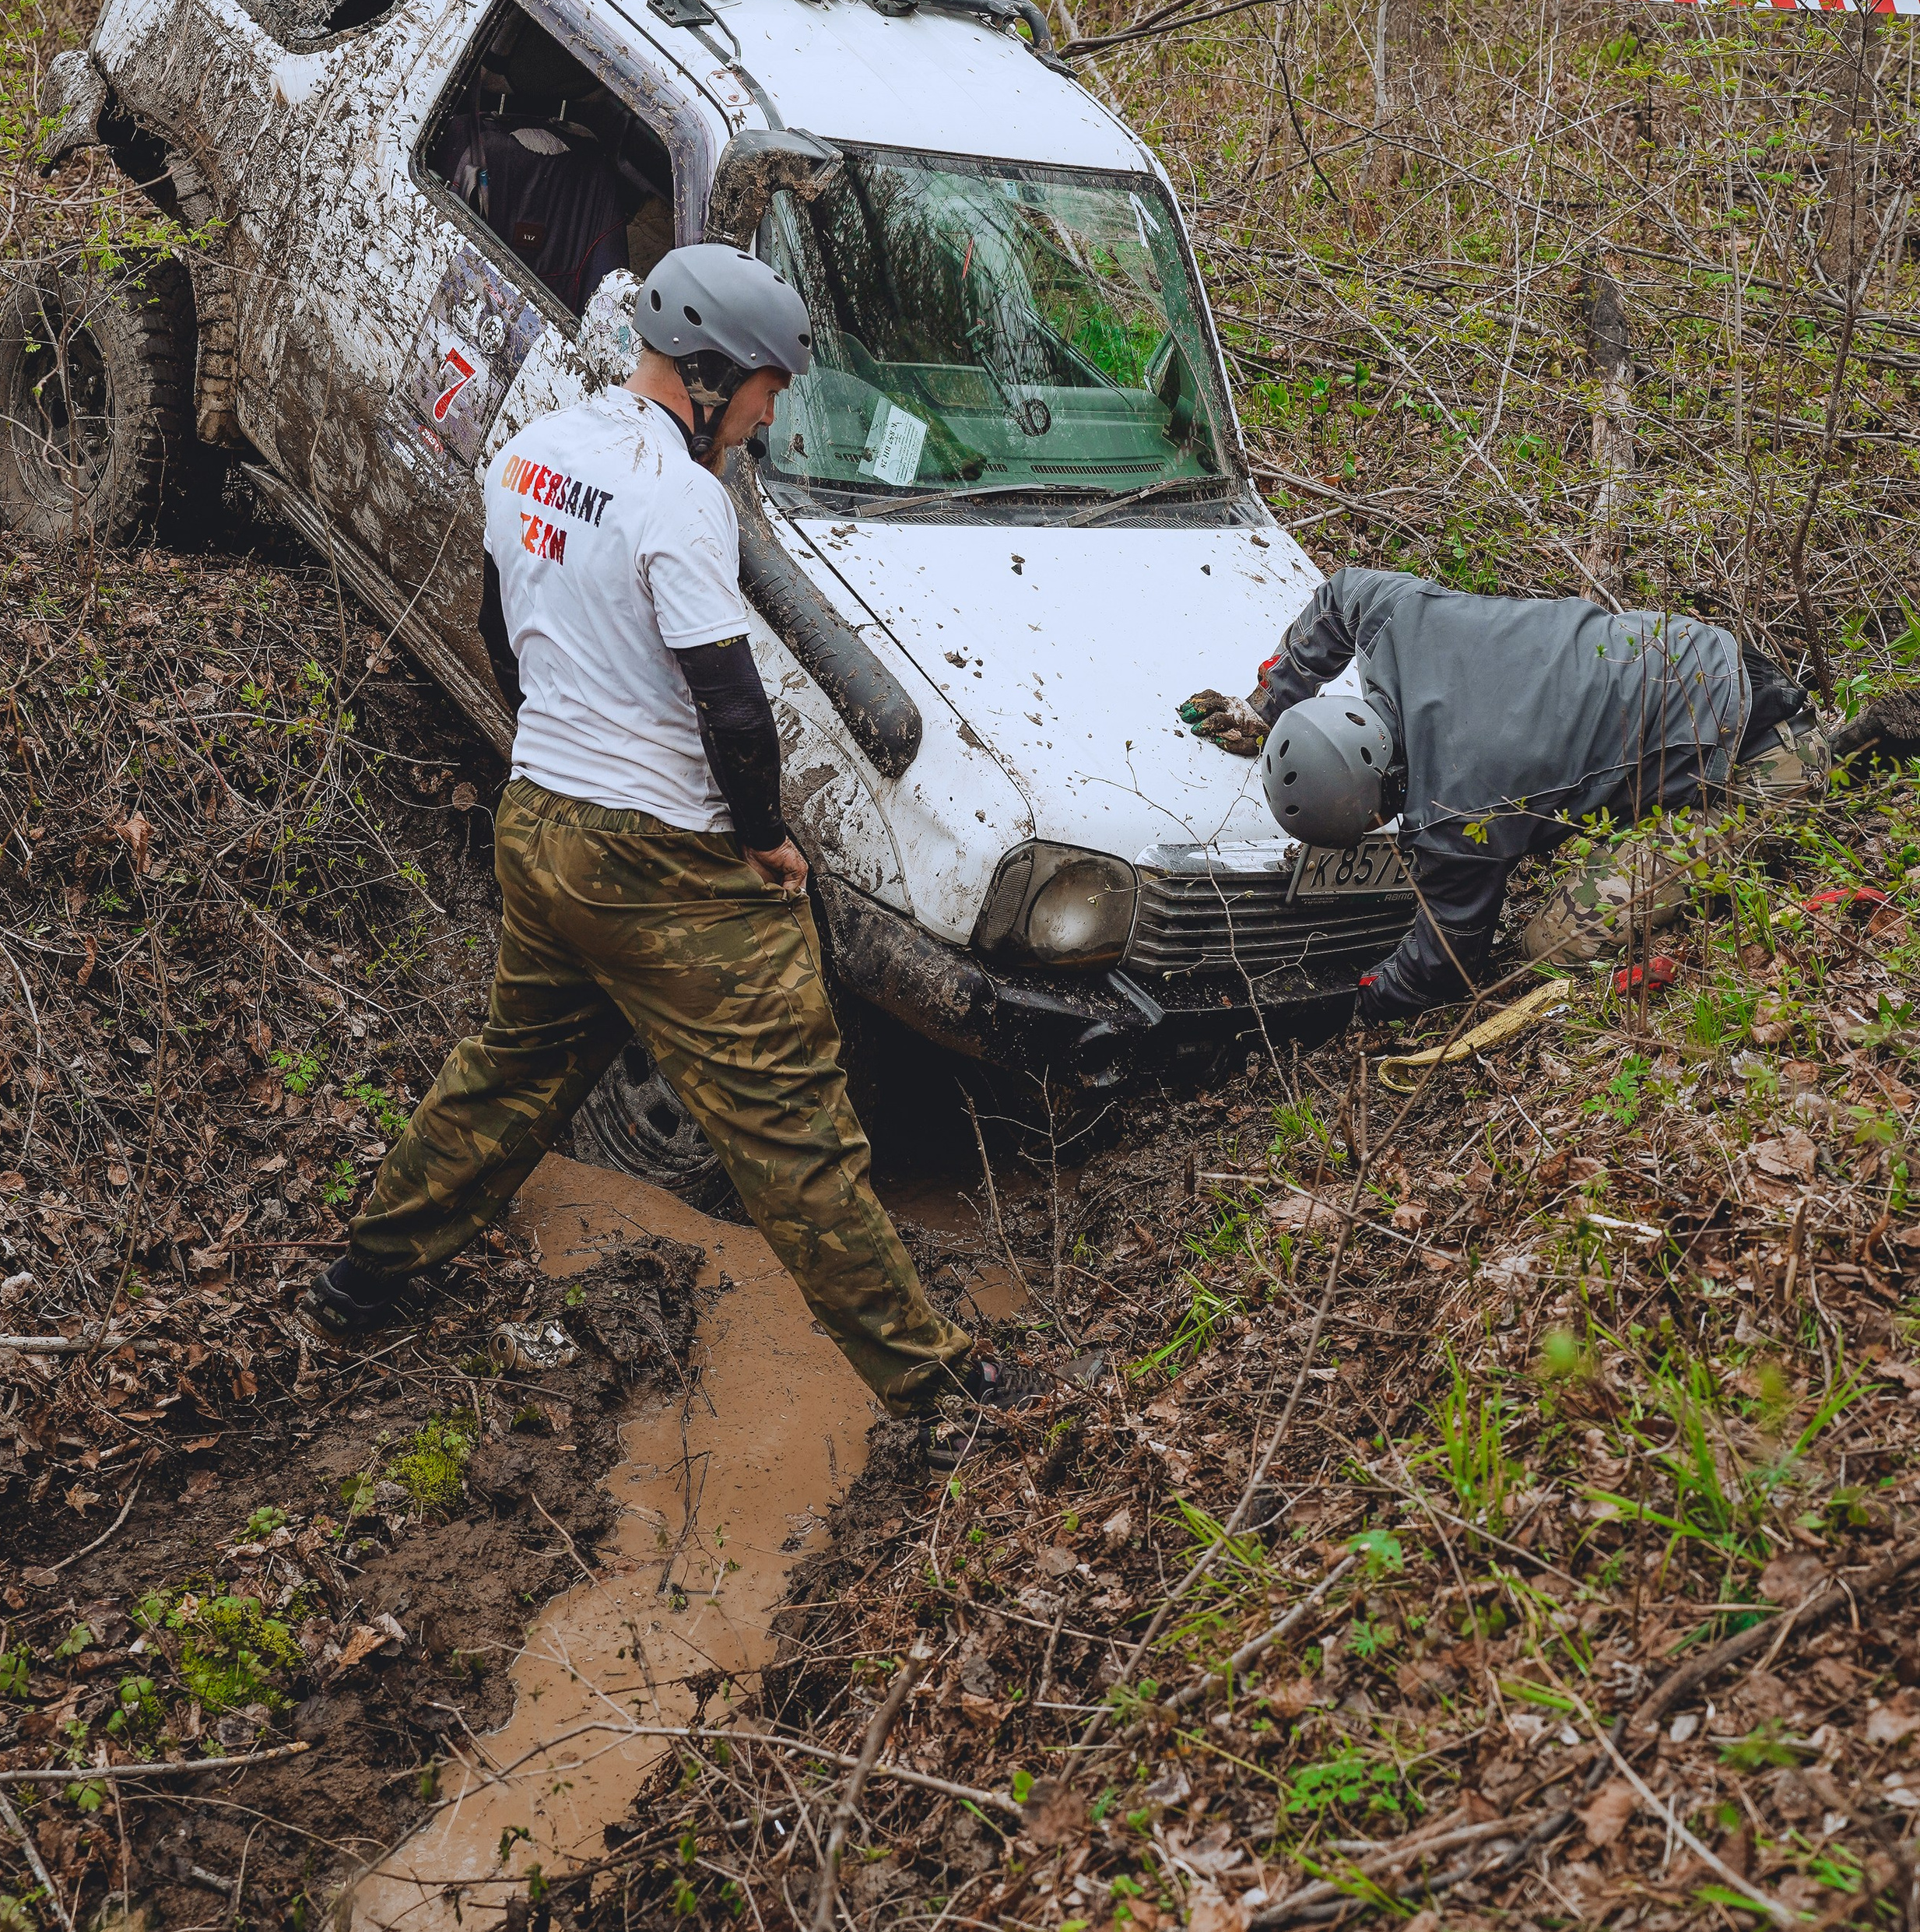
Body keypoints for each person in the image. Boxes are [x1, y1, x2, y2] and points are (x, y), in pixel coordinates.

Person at [313, 244, 1030, 1440]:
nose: (765, 417)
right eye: (767, 391)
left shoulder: (531, 451)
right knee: (795, 1133)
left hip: (541, 827)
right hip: (662, 866)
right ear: (714, 373)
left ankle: (363, 1275)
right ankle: (944, 1393)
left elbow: (500, 631)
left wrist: (557, 750)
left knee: (516, 1066)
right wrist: (765, 844)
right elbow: (732, 707)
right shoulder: (682, 499)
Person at [1184, 567, 1827, 1022]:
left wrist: (1356, 1001)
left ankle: (1843, 755)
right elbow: (1338, 594)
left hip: (1765, 761)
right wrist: (1271, 703)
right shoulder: (1397, 625)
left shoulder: (1458, 813)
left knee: (1553, 945)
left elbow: (1445, 967)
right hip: (1706, 654)